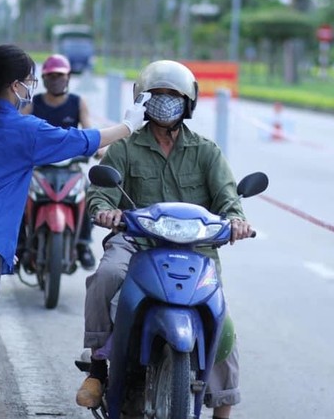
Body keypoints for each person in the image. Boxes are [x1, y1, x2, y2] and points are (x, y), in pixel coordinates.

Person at [0, 43, 148, 418]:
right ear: (16, 86)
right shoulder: (23, 130)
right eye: (30, 80)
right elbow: (82, 141)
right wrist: (129, 125)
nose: (34, 86)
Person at [76, 60, 253, 419]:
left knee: (220, 320)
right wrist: (105, 211)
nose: (164, 101)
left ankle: (223, 407)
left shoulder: (206, 151)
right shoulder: (125, 147)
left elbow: (228, 198)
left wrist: (236, 221)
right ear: (142, 99)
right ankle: (97, 367)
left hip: (195, 250)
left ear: (188, 102)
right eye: (157, 95)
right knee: (107, 276)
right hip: (136, 244)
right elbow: (100, 192)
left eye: (173, 95)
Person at [19, 53, 96, 270]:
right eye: (51, 76)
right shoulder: (33, 103)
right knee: (18, 196)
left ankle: (83, 245)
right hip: (39, 168)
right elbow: (19, 129)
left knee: (88, 194)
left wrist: (98, 148)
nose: (56, 80)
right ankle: (19, 245)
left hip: (71, 168)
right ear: (43, 79)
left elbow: (89, 129)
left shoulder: (78, 102)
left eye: (60, 75)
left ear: (69, 77)